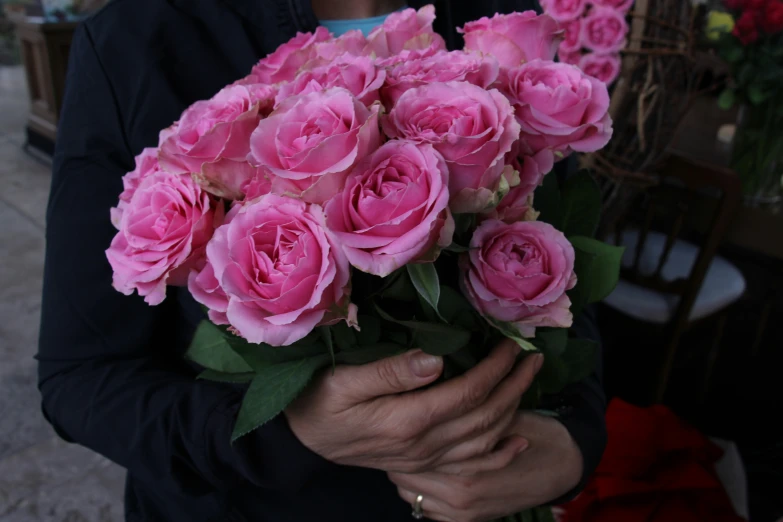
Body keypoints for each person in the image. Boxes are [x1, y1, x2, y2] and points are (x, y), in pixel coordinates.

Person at [37, 1, 607, 521]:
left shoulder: (493, 20)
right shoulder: (137, 40)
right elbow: (80, 377)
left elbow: (561, 275)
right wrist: (285, 435)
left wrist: (570, 447)